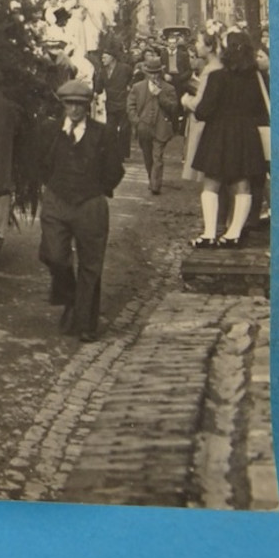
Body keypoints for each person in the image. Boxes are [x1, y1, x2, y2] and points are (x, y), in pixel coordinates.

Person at [37, 79, 125, 342]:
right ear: (62, 105)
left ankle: (86, 322)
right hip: (57, 200)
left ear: (87, 106)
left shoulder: (104, 133)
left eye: (80, 105)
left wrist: (97, 191)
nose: (74, 110)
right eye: (69, 104)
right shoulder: (49, 130)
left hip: (90, 203)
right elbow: (39, 162)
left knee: (90, 265)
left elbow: (114, 170)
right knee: (54, 254)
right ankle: (69, 295)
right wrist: (52, 188)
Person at [190, 30, 269, 248]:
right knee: (242, 184)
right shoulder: (255, 78)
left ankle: (209, 234)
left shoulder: (217, 77)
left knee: (211, 184)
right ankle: (233, 233)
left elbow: (203, 111)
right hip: (246, 135)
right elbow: (260, 109)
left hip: (219, 134)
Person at [127, 47, 179, 195]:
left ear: (160, 73)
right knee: (147, 156)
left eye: (156, 73)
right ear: (146, 73)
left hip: (161, 127)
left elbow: (174, 108)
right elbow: (130, 106)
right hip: (143, 127)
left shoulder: (168, 88)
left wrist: (160, 96)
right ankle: (152, 178)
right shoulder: (138, 88)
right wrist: (136, 121)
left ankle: (156, 185)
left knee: (158, 157)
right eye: (151, 73)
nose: (154, 76)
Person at [181, 28, 223, 181]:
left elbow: (201, 103)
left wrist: (186, 100)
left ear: (210, 47)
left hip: (207, 125)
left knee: (211, 177)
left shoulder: (209, 70)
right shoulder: (219, 67)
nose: (197, 45)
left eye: (199, 42)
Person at [97, 44, 134, 158]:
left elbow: (133, 79)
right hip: (111, 104)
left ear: (112, 57)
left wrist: (130, 88)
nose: (103, 60)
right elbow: (98, 88)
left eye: (105, 57)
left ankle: (123, 153)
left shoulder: (125, 68)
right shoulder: (102, 71)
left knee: (124, 130)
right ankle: (112, 153)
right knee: (110, 130)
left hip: (124, 103)